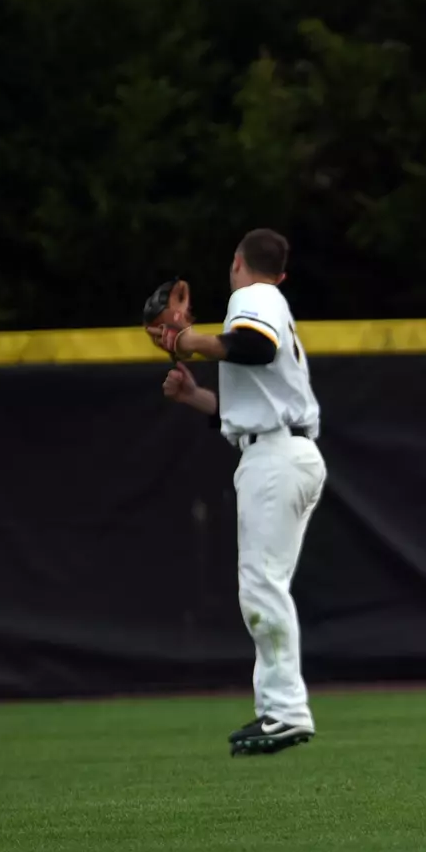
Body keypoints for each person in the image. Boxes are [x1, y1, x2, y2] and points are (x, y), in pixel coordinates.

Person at [148, 229, 327, 756]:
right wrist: (196, 396)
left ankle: (286, 713)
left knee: (261, 586)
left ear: (237, 263)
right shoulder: (267, 300)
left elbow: (255, 345)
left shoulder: (254, 297)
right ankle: (278, 710)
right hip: (279, 450)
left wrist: (188, 341)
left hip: (277, 457)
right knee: (264, 587)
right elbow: (249, 409)